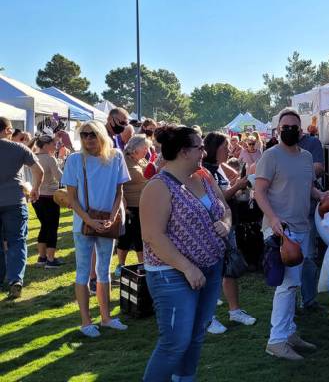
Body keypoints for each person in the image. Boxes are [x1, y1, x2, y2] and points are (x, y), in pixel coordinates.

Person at [140, 125, 231, 381]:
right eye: (199, 147)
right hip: (172, 274)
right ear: (183, 152)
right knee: (175, 343)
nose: (204, 152)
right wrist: (187, 267)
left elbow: (225, 208)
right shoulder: (158, 186)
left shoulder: (203, 176)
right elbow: (153, 236)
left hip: (210, 268)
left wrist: (226, 224)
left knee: (195, 336)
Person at [254, 108, 327, 361]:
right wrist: (273, 219)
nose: (289, 130)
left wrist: (321, 196)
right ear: (277, 130)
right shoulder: (270, 156)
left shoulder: (306, 156)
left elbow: (307, 186)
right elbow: (259, 192)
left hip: (302, 226)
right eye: (285, 127)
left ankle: (288, 332)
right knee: (286, 286)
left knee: (293, 284)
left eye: (294, 126)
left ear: (301, 129)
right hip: (280, 231)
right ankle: (276, 340)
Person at [61, 120, 130, 337]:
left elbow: (119, 191)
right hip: (83, 224)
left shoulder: (116, 156)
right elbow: (71, 198)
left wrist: (112, 217)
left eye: (92, 134)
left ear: (101, 135)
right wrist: (89, 221)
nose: (88, 139)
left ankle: (106, 317)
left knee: (104, 271)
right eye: (84, 135)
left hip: (106, 223)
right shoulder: (74, 159)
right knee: (83, 273)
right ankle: (85, 321)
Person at [201, 132, 257, 335]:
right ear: (215, 148)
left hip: (228, 223)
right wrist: (238, 187)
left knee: (230, 269)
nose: (229, 150)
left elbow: (230, 182)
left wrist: (236, 181)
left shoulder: (218, 168)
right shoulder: (203, 171)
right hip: (212, 227)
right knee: (212, 271)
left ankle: (234, 311)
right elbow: (216, 198)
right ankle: (209, 318)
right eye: (225, 146)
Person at [0, 117, 43, 299]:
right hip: (15, 201)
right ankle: (15, 280)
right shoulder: (19, 148)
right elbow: (39, 171)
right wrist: (35, 189)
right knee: (17, 241)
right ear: (8, 130)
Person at [115, 135, 153, 277]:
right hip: (129, 205)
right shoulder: (123, 161)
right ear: (136, 148)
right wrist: (122, 204)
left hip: (143, 205)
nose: (147, 150)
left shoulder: (142, 160)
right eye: (145, 148)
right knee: (127, 236)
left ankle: (142, 265)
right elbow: (118, 184)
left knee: (140, 236)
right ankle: (121, 264)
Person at [298, 123, 326, 312]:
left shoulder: (312, 143)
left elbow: (318, 168)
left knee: (307, 257)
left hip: (307, 210)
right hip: (284, 214)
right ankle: (291, 304)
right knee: (287, 259)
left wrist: (293, 170)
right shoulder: (275, 148)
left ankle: (307, 300)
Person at [32, 134, 64, 269]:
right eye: (53, 144)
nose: (55, 146)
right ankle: (50, 259)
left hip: (36, 197)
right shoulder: (50, 159)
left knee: (44, 226)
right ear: (45, 145)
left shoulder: (33, 157)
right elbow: (60, 177)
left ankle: (42, 257)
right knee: (51, 228)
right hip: (50, 197)